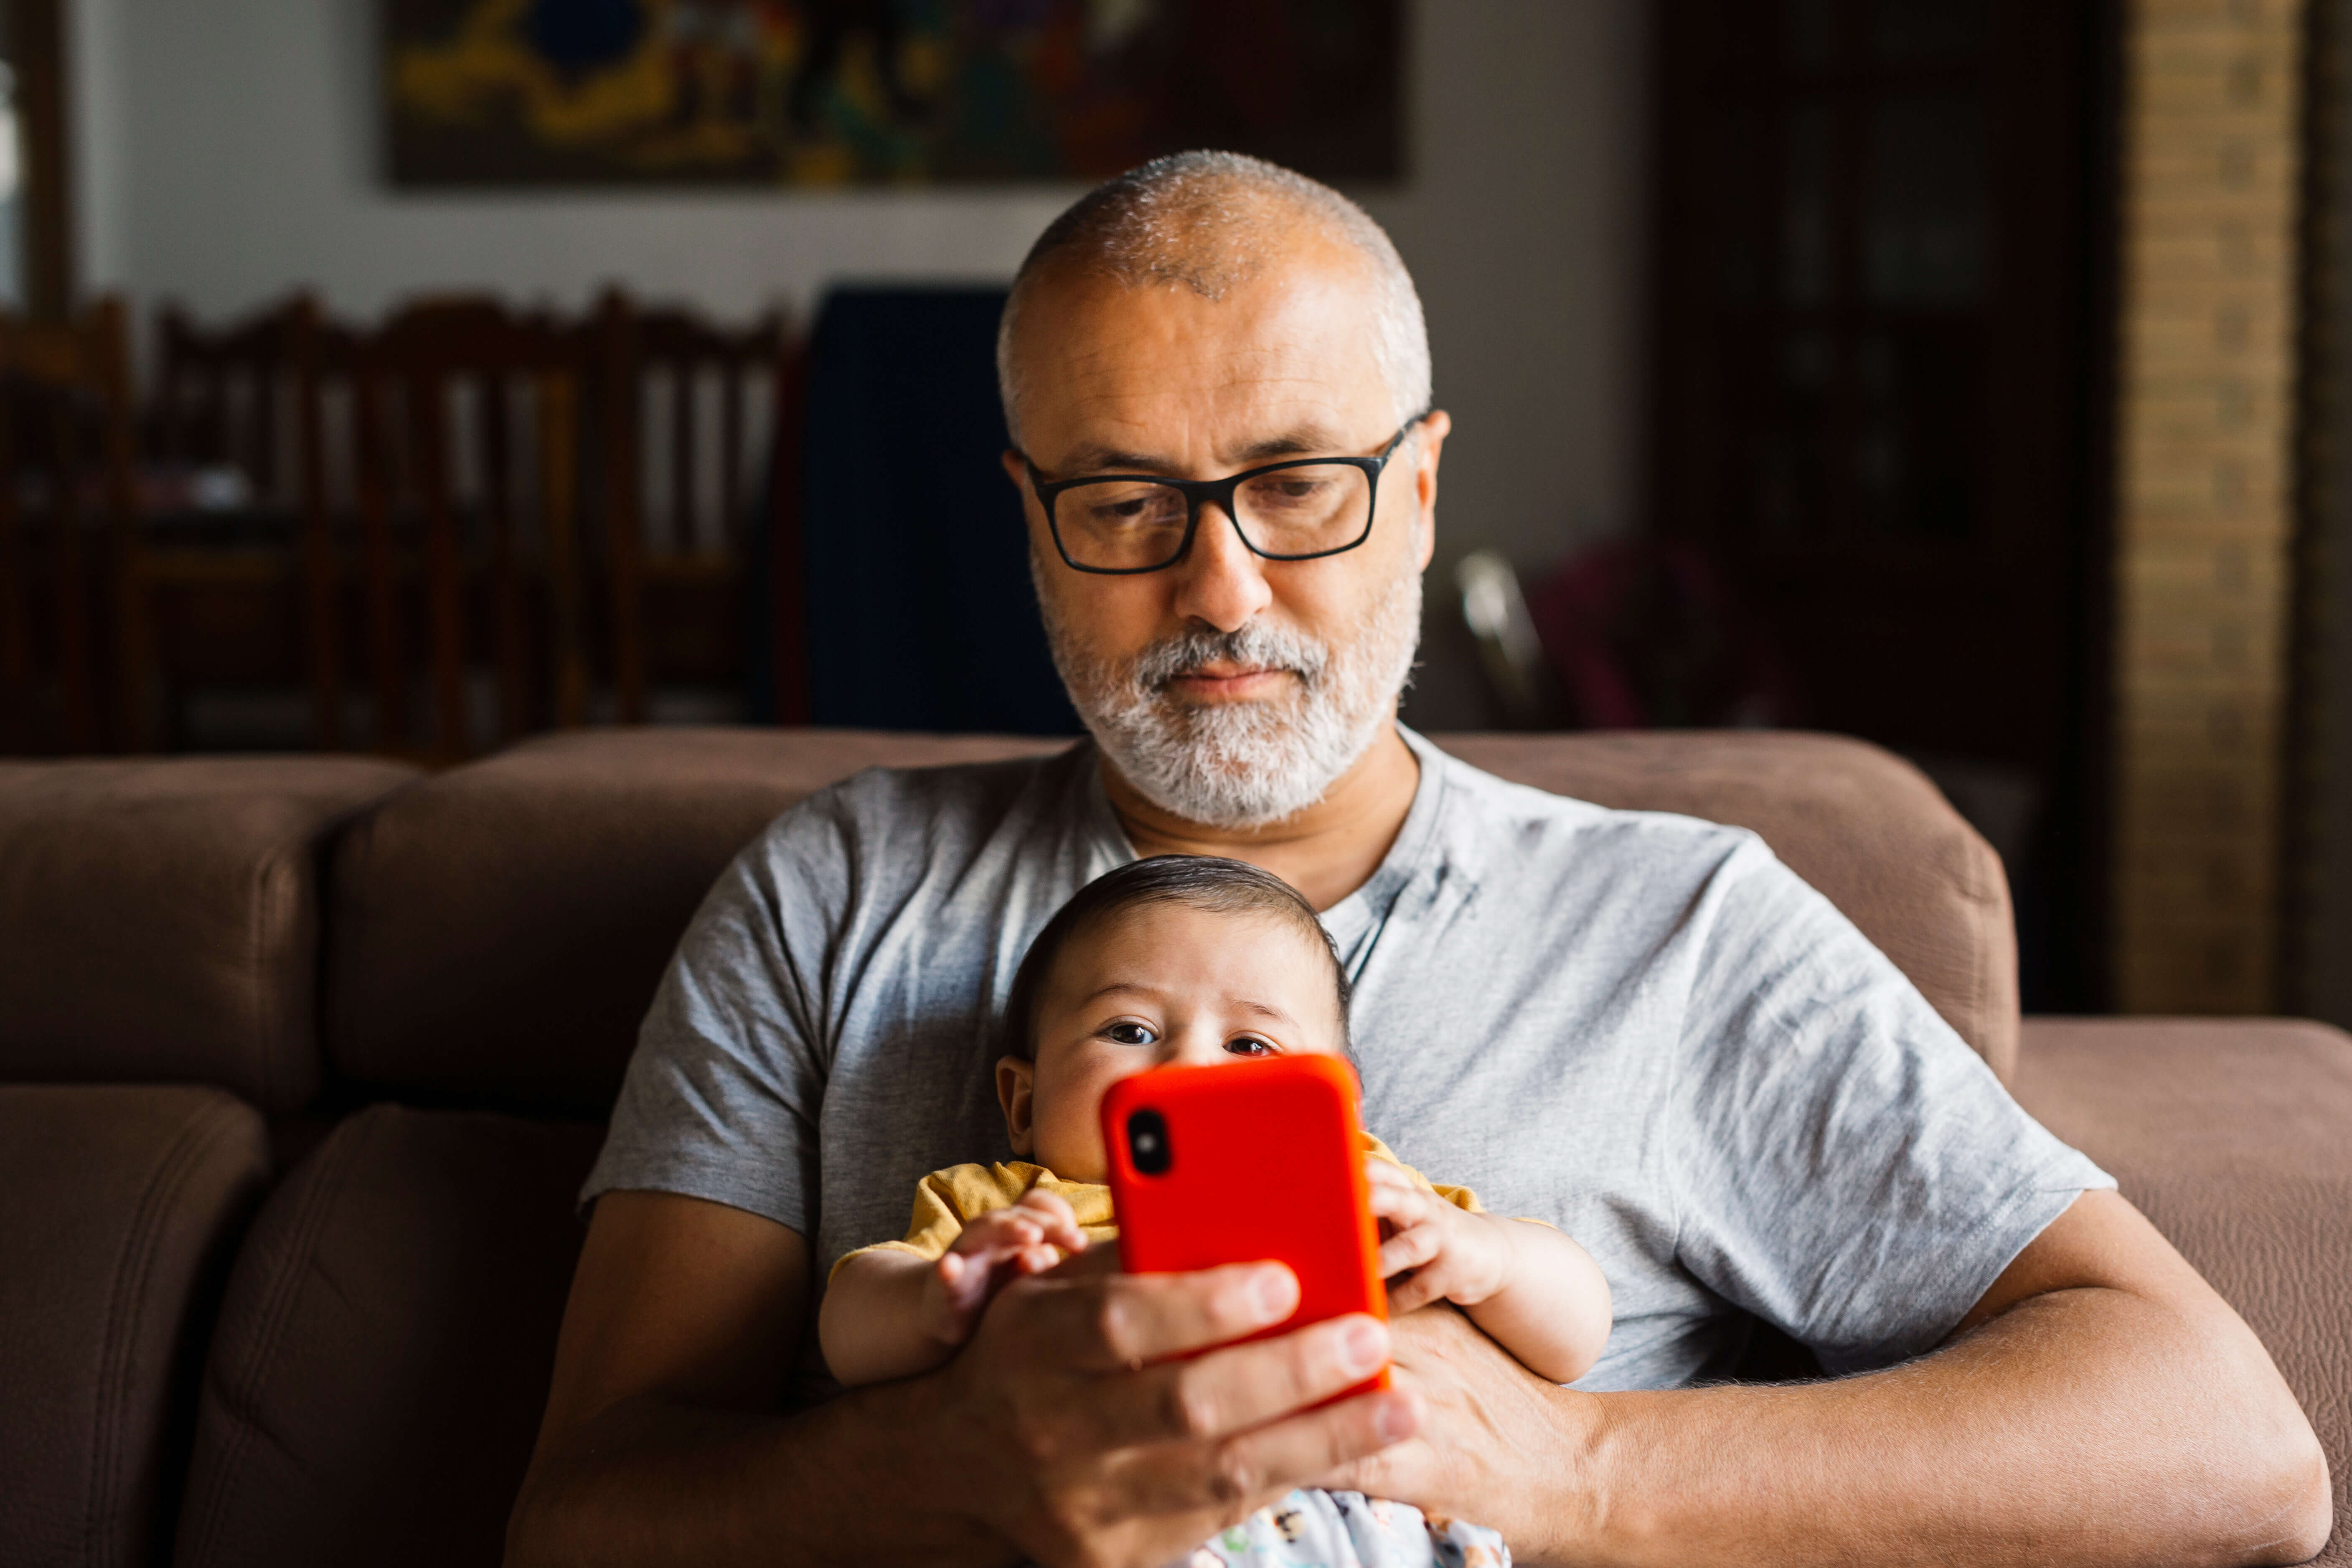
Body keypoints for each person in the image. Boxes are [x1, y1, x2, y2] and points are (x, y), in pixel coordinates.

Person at [507, 152, 2330, 1568]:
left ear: (1425, 485)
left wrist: (1565, 1465)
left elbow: (2231, 1444)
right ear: (1028, 526)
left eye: (1300, 483)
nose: (1220, 589)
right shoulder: (832, 888)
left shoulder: (1677, 925)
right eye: (1126, 503)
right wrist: (944, 1466)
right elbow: (580, 1519)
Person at [820, 855, 1610, 1568]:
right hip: (1118, 1515)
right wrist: (939, 1297)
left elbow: (1577, 1333)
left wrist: (1491, 1255)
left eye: (1252, 1045)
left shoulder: (1367, 1185)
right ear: (1023, 1102)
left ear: (1338, 1102)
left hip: (1373, 1513)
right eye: (1130, 1030)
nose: (1190, 1065)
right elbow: (849, 1329)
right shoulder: (1012, 1207)